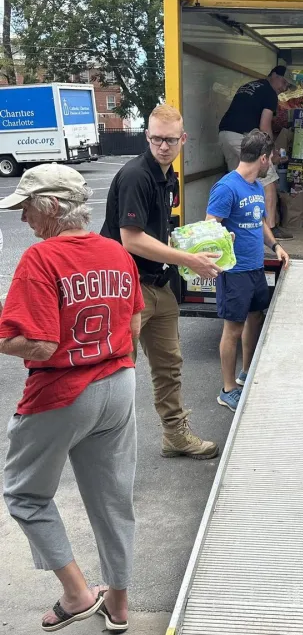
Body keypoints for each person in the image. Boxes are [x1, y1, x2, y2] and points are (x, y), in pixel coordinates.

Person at [0, 163, 144, 632]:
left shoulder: (42, 260)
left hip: (63, 391)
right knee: (112, 500)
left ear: (54, 208)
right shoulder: (117, 253)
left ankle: (78, 593)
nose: (25, 220)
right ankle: (119, 606)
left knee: (25, 493)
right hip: (119, 383)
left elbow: (39, 345)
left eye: (28, 209)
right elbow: (134, 323)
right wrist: (115, 366)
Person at [102, 104, 219, 460]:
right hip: (127, 287)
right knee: (117, 373)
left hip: (158, 284)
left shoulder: (168, 176)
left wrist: (186, 245)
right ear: (147, 137)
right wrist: (189, 260)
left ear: (182, 140)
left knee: (169, 366)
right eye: (155, 139)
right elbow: (131, 239)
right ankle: (107, 450)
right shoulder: (137, 175)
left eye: (169, 140)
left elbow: (156, 233)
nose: (162, 146)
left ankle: (175, 435)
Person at [206, 129, 290, 412]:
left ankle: (245, 372)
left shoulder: (255, 186)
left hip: (255, 268)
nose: (272, 164)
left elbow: (261, 223)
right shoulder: (227, 187)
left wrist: (275, 245)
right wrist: (221, 241)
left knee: (255, 317)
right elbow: (209, 226)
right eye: (271, 158)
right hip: (235, 272)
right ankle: (227, 389)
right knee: (233, 328)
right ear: (263, 158)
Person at [219, 66, 294, 240]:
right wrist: (270, 153)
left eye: (287, 86)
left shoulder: (250, 86)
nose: (284, 87)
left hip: (224, 134)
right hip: (242, 136)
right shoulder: (269, 93)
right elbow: (265, 125)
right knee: (269, 178)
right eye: (283, 82)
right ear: (273, 75)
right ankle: (271, 228)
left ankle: (234, 226)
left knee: (236, 180)